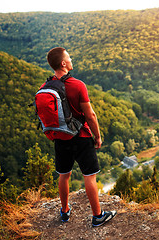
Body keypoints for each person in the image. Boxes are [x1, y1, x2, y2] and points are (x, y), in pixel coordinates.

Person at [44, 47, 116, 227]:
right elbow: (90, 115)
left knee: (64, 175)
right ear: (63, 63)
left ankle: (65, 211)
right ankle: (97, 216)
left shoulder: (46, 87)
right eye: (68, 57)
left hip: (60, 137)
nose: (71, 59)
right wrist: (97, 137)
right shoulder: (77, 85)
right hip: (81, 136)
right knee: (89, 176)